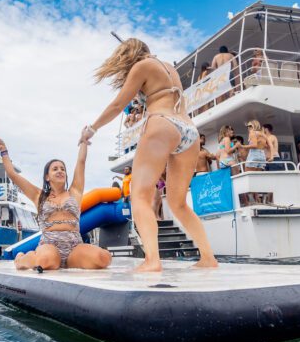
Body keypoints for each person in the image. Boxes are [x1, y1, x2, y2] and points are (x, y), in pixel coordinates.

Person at [80, 37, 217, 270]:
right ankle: (208, 258)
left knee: (139, 197)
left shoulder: (141, 66)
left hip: (161, 123)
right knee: (178, 203)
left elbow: (116, 105)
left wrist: (92, 129)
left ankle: (152, 260)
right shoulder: (168, 67)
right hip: (188, 130)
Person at [0, 135, 111, 270]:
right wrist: (4, 151)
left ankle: (58, 261)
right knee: (46, 261)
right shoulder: (39, 195)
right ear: (47, 177)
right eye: (55, 169)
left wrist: (83, 142)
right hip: (49, 246)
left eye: (62, 169)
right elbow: (13, 175)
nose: (60, 171)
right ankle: (21, 259)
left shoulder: (75, 192)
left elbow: (81, 162)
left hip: (74, 247)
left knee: (103, 258)